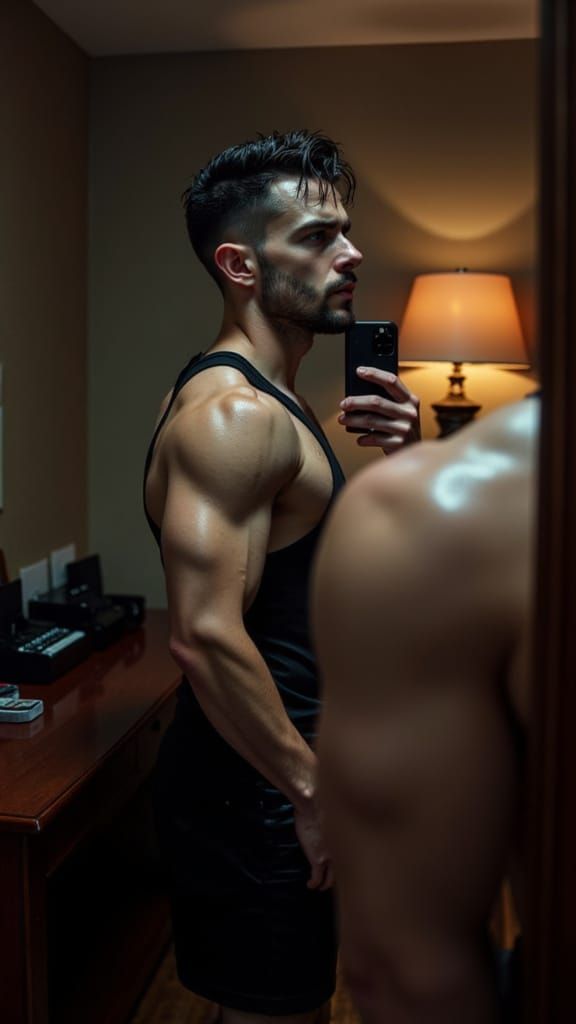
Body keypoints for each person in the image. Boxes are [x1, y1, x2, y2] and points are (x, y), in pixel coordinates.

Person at [143, 129, 421, 1024]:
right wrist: (307, 792)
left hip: (277, 772)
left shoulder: (276, 403)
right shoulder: (232, 417)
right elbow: (204, 632)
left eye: (346, 231)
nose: (353, 254)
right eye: (315, 236)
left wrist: (410, 457)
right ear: (240, 264)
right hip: (260, 788)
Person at [311, 393, 539, 1023]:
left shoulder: (446, 510)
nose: (340, 285)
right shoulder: (230, 418)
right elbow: (203, 633)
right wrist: (295, 777)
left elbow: (403, 972)